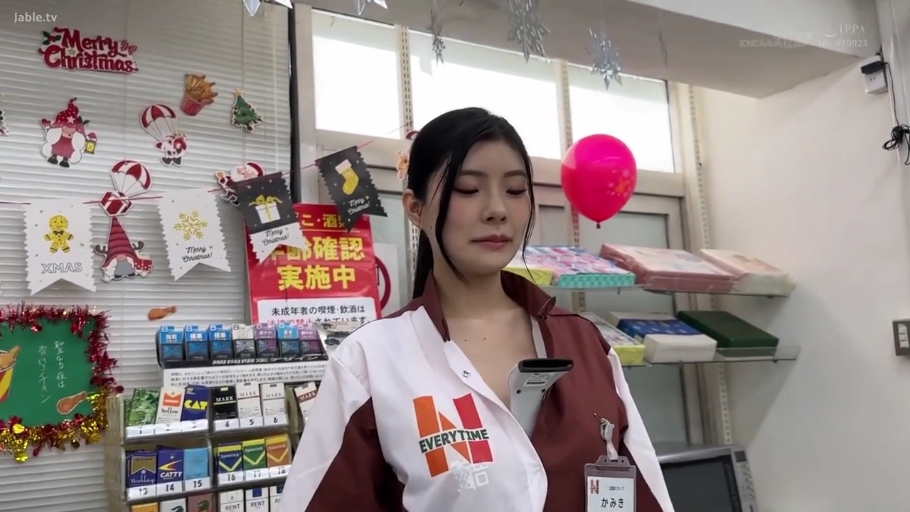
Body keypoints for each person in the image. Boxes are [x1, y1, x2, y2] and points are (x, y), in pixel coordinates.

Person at [279, 108, 673, 512]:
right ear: (415, 208)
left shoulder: (585, 345)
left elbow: (647, 495)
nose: (497, 209)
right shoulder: (370, 361)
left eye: (515, 190)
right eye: (468, 189)